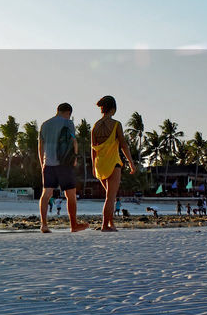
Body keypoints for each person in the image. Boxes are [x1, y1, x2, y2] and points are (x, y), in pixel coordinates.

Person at [38, 102, 87, 233]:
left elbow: (40, 147)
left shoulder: (45, 124)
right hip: (64, 163)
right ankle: (74, 225)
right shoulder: (68, 123)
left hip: (48, 163)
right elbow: (73, 141)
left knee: (46, 194)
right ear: (68, 112)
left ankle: (44, 225)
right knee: (70, 194)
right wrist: (75, 158)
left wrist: (42, 163)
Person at [91, 95, 135, 231]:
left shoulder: (95, 126)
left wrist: (93, 166)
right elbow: (123, 145)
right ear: (113, 109)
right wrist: (131, 163)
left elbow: (93, 149)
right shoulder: (116, 124)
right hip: (113, 163)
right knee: (110, 197)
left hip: (100, 164)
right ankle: (105, 225)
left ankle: (111, 224)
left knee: (110, 196)